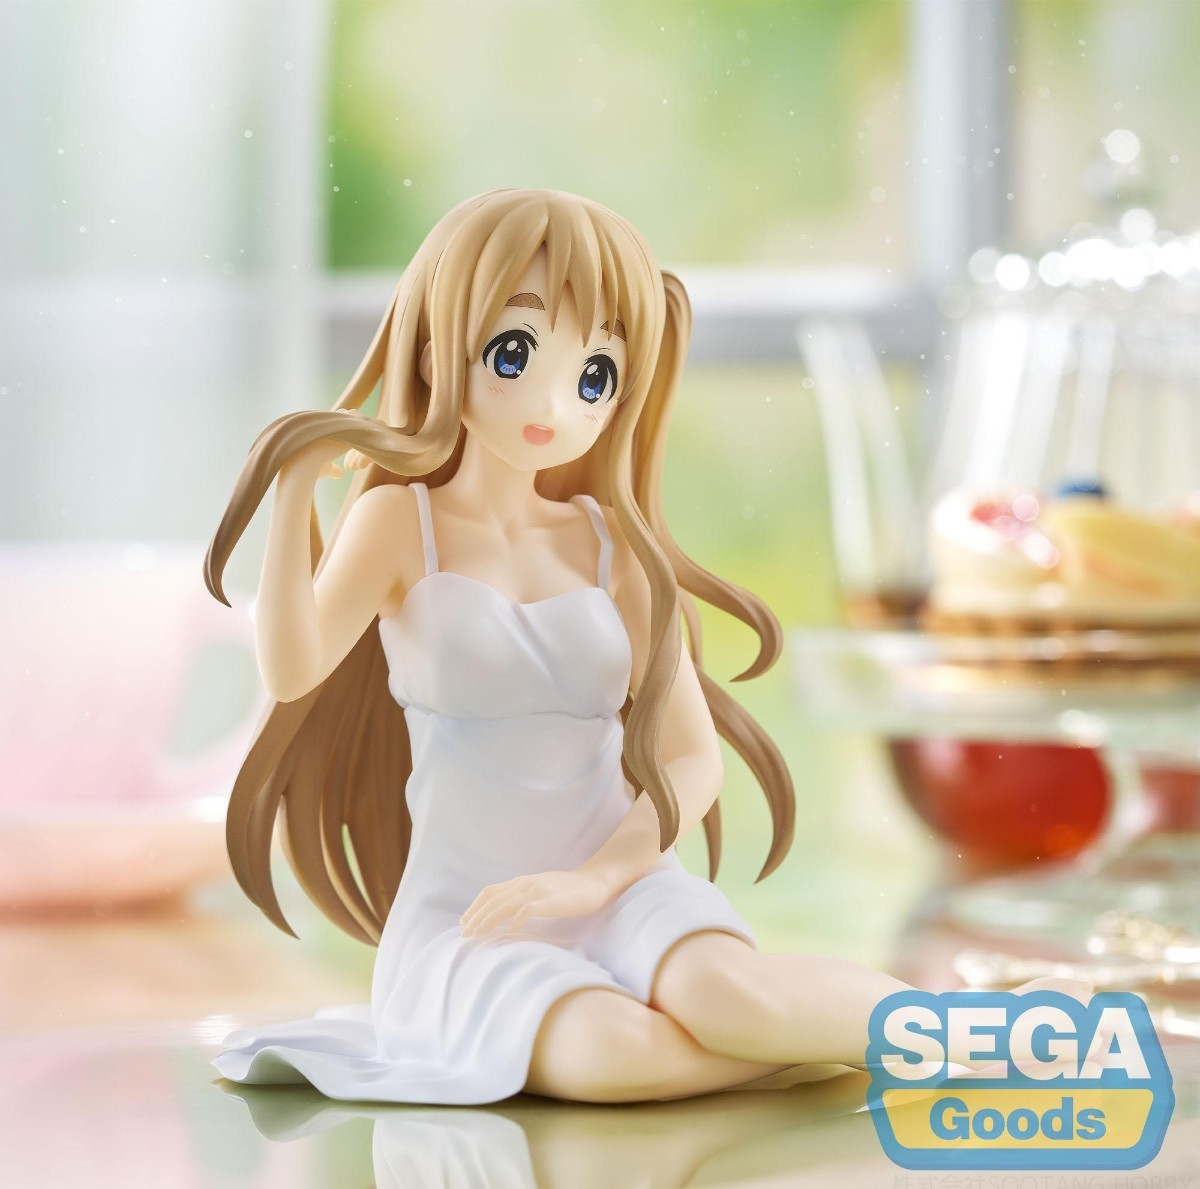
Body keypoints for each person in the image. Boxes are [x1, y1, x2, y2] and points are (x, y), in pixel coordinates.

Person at [205, 188, 1082, 1105]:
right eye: (514, 353)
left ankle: (972, 1032)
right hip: (473, 917)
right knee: (614, 1055)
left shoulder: (607, 544)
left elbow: (689, 756)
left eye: (595, 375)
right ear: (437, 353)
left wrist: (594, 881)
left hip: (623, 880)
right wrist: (292, 495)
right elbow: (292, 670)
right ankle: (846, 1038)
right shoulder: (399, 524)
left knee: (729, 996)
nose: (554, 403)